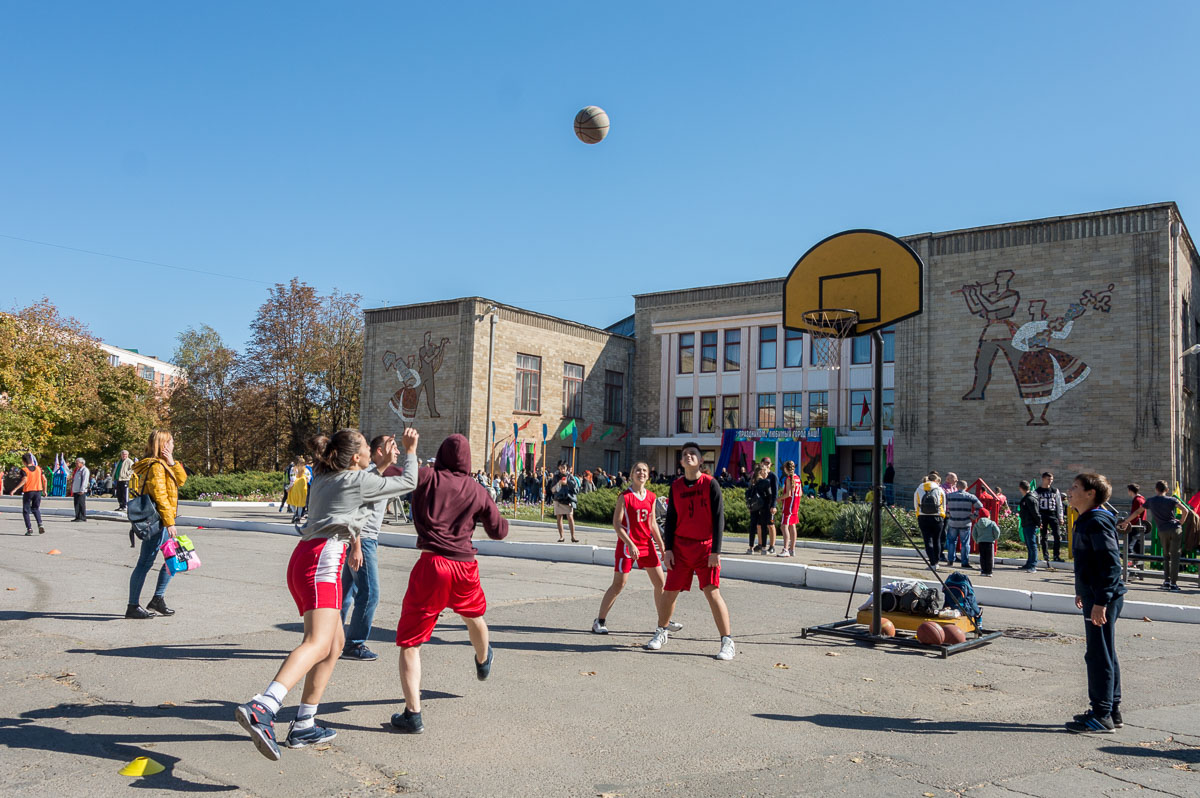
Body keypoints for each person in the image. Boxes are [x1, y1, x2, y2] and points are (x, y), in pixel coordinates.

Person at [236, 428, 420, 760]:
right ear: (356, 457)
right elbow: (408, 482)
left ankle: (305, 723)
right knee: (318, 643)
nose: (370, 452)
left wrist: (382, 463)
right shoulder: (356, 480)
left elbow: (363, 482)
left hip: (306, 556)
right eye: (365, 447)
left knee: (334, 644)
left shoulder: (326, 475)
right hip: (323, 561)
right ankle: (264, 706)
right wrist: (409, 450)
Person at [389, 434, 508, 734]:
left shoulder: (428, 476)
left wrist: (398, 454)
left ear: (441, 454)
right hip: (465, 566)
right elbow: (499, 531)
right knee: (474, 615)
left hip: (432, 566)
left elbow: (393, 474)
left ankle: (413, 714)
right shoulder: (477, 489)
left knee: (410, 643)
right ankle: (483, 658)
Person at [644, 441, 735, 661]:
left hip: (705, 547)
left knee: (712, 592)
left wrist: (716, 551)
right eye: (685, 454)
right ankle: (661, 631)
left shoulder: (711, 484)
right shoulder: (676, 486)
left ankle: (727, 641)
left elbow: (719, 518)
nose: (688, 456)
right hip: (681, 548)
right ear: (681, 461)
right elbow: (671, 520)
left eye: (693, 453)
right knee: (669, 591)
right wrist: (668, 549)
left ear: (701, 460)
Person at [1065, 472, 1125, 734]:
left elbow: (1111, 564)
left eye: (1075, 487)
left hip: (1103, 597)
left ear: (1091, 494)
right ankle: (1112, 710)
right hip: (1096, 594)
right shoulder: (1087, 518)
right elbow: (1088, 562)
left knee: (1098, 654)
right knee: (1105, 651)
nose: (1069, 491)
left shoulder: (1096, 521)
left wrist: (1100, 601)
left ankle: (1101, 715)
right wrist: (1082, 590)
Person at [592, 462, 682, 635]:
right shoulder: (625, 497)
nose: (641, 473)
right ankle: (599, 621)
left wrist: (662, 547)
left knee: (661, 583)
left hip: (646, 544)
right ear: (632, 474)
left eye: (644, 470)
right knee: (619, 584)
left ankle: (664, 620)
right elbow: (617, 524)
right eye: (638, 470)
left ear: (648, 475)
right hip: (627, 545)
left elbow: (652, 524)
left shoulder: (651, 497)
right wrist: (630, 544)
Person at [341, 434, 402, 662]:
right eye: (393, 447)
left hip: (363, 540)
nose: (397, 451)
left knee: (345, 594)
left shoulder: (378, 475)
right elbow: (353, 513)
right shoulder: (367, 476)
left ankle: (329, 639)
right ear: (379, 451)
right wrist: (356, 547)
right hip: (362, 541)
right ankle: (354, 645)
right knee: (370, 595)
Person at [126, 431, 188, 619]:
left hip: (163, 520)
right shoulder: (155, 467)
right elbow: (160, 496)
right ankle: (133, 606)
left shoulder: (163, 464)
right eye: (171, 442)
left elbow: (181, 480)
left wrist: (172, 462)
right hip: (158, 522)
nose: (173, 444)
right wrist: (170, 522)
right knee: (145, 563)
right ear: (163, 445)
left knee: (174, 559)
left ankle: (157, 599)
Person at [1131, 480, 1197, 592]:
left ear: (1156, 489)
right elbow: (1185, 510)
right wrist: (1181, 522)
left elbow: (1137, 512)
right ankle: (1174, 584)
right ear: (1167, 490)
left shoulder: (1151, 501)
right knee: (1175, 557)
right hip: (1175, 529)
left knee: (1166, 556)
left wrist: (1126, 521)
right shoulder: (1171, 500)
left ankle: (1166, 581)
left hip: (1163, 530)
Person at [6, 453, 47, 536]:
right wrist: (44, 490)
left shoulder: (24, 470)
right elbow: (45, 480)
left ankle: (29, 529)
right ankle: (40, 524)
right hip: (38, 491)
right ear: (31, 460)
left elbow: (25, 479)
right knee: (35, 508)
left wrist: (15, 489)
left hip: (28, 491)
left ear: (24, 461)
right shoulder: (38, 468)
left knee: (26, 510)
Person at [945, 480, 982, 568]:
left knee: (951, 542)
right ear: (966, 487)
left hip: (953, 522)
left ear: (957, 487)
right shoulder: (970, 496)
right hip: (965, 522)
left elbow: (942, 505)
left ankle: (950, 560)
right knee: (965, 543)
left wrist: (947, 513)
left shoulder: (949, 496)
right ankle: (964, 562)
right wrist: (974, 515)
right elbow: (979, 505)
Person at [913, 472, 946, 570]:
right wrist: (942, 515)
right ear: (936, 481)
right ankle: (937, 562)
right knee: (937, 540)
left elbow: (915, 504)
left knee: (927, 540)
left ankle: (932, 562)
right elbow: (943, 504)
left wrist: (919, 514)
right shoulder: (939, 489)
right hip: (937, 517)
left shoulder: (919, 489)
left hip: (923, 517)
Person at [1116, 484, 1148, 573]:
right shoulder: (1142, 498)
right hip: (1141, 526)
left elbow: (1136, 514)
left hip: (1135, 526)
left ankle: (1132, 565)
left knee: (1129, 546)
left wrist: (1127, 523)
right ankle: (1138, 567)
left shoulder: (1137, 500)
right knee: (1138, 548)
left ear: (1130, 491)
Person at [1035, 472, 1066, 564]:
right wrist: (1037, 518)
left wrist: (1060, 517)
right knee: (1044, 536)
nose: (1050, 481)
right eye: (1048, 479)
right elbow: (1035, 505)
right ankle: (1046, 555)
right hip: (1042, 515)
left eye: (1051, 479)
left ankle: (1056, 555)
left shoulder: (1055, 490)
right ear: (1043, 479)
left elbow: (1059, 504)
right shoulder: (1037, 491)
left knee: (1057, 535)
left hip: (1053, 515)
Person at [745, 464, 774, 554]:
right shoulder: (766, 482)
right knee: (763, 527)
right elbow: (770, 495)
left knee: (753, 526)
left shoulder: (752, 482)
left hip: (753, 507)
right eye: (765, 472)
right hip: (764, 507)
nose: (767, 474)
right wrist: (771, 506)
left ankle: (751, 548)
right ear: (761, 472)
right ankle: (764, 548)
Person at [549, 462, 579, 543]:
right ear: (558, 468)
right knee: (559, 517)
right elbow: (552, 490)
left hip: (568, 499)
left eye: (564, 468)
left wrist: (567, 482)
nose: (562, 470)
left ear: (566, 468)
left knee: (570, 517)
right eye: (561, 468)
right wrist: (559, 483)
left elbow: (576, 488)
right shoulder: (556, 477)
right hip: (558, 499)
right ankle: (561, 536)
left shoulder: (570, 476)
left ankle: (573, 536)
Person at [778, 460, 801, 557]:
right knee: (792, 526)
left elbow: (788, 494)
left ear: (786, 469)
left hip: (789, 505)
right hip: (795, 505)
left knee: (784, 526)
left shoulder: (788, 479)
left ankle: (785, 549)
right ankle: (792, 549)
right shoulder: (797, 478)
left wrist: (779, 498)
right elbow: (800, 493)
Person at [1017, 480, 1040, 572]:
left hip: (1030, 524)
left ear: (1020, 488)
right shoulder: (1027, 498)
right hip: (1026, 523)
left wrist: (1039, 522)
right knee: (1029, 545)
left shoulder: (1029, 499)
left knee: (1032, 545)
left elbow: (1035, 512)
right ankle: (1029, 563)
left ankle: (1033, 565)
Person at [973, 506, 1000, 576]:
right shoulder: (992, 523)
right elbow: (997, 531)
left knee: (982, 557)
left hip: (981, 542)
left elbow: (974, 534)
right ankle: (989, 571)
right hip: (990, 542)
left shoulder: (977, 524)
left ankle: (983, 571)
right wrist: (995, 538)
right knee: (989, 557)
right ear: (988, 516)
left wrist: (977, 540)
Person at [286, 456, 309, 524]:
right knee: (300, 503)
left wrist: (289, 487)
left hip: (295, 488)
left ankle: (295, 514)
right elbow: (308, 479)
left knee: (291, 502)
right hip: (303, 488)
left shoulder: (293, 469)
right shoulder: (306, 470)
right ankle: (298, 516)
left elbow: (292, 480)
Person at [70, 458, 90, 522]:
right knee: (76, 504)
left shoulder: (85, 470)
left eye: (77, 463)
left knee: (81, 504)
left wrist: (82, 489)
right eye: (75, 463)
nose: (76, 464)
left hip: (81, 490)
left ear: (82, 463)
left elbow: (85, 481)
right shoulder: (77, 470)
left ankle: (82, 517)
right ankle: (77, 516)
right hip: (76, 490)